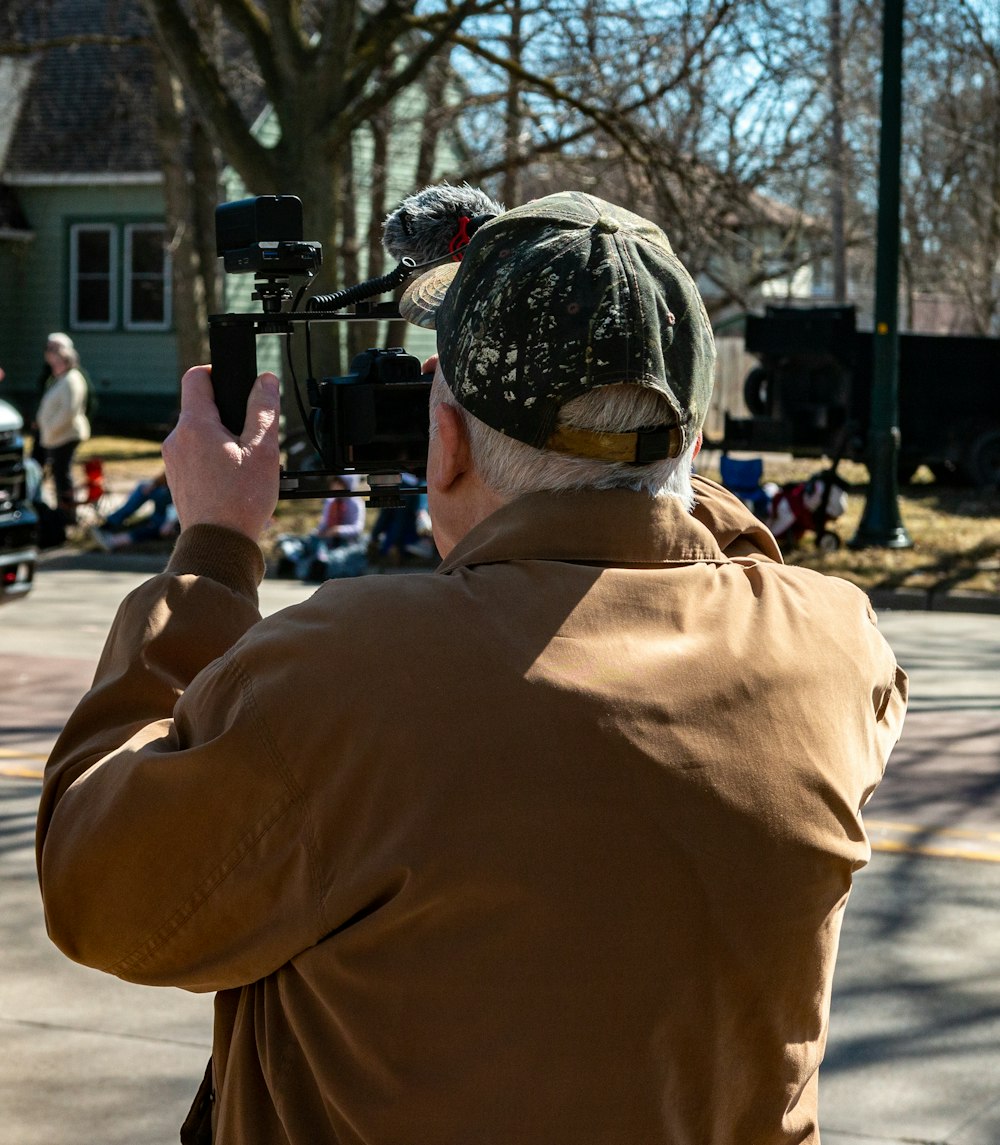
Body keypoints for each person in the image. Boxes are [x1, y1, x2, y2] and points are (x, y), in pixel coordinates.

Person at [37, 192, 907, 1145]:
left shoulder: (343, 675)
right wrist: (639, 484)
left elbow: (96, 889)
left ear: (443, 443)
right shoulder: (834, 646)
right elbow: (721, 554)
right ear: (691, 444)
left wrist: (210, 552)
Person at [34, 332, 91, 523]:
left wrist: (49, 429)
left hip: (65, 435)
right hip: (56, 436)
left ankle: (67, 516)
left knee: (62, 476)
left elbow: (69, 412)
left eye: (57, 357)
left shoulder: (72, 379)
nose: (53, 362)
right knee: (59, 476)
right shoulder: (59, 379)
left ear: (67, 359)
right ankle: (63, 513)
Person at [274, 474, 369, 581]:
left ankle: (323, 565)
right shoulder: (330, 501)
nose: (335, 486)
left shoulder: (355, 503)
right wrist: (319, 531)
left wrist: (338, 530)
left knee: (341, 558)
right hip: (327, 540)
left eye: (339, 484)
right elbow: (324, 523)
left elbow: (357, 528)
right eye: (334, 483)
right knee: (297, 542)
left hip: (346, 542)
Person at [90, 470, 177, 551]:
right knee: (143, 488)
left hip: (180, 513)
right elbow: (172, 470)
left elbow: (186, 499)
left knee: (159, 525)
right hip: (170, 500)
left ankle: (113, 541)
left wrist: (170, 521)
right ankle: (108, 525)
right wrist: (154, 484)